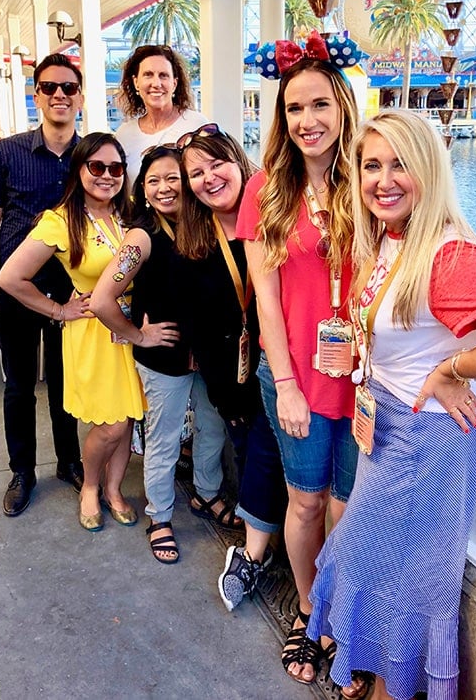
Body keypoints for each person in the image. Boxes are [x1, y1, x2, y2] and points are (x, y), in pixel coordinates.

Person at [306, 110, 476, 700]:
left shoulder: (449, 254)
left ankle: (392, 688)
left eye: (400, 165)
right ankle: (380, 675)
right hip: (386, 425)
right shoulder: (393, 238)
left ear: (429, 171)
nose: (383, 180)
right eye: (371, 165)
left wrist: (449, 369)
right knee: (377, 564)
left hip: (428, 441)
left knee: (405, 583)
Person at [236, 32, 361, 684]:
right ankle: (308, 611)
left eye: (319, 105)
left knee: (346, 508)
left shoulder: (368, 179)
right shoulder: (266, 189)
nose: (307, 120)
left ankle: (341, 613)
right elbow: (264, 293)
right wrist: (284, 382)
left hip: (361, 381)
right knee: (307, 503)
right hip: (297, 376)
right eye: (293, 108)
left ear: (341, 106)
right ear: (281, 119)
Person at [90, 145, 238, 565]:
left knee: (211, 431)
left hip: (209, 358)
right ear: (143, 189)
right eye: (152, 180)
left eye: (173, 177)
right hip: (164, 361)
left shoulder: (206, 224)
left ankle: (206, 495)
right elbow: (102, 299)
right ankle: (160, 515)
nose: (163, 187)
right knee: (164, 440)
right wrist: (136, 335)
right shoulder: (143, 236)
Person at [0, 133, 146, 532]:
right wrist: (59, 310)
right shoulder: (61, 220)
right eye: (96, 167)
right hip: (94, 334)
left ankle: (114, 489)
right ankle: (90, 485)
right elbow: (11, 276)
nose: (107, 176)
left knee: (130, 414)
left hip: (130, 328)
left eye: (115, 168)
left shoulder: (127, 215)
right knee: (111, 423)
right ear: (79, 169)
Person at [176, 123, 288, 609]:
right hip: (232, 373)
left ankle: (261, 548)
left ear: (238, 161)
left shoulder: (276, 211)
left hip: (286, 359)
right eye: (196, 173)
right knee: (251, 453)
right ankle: (268, 547)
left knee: (272, 454)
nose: (209, 178)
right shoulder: (194, 234)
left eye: (217, 163)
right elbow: (199, 321)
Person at [0, 53, 86, 518]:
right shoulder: (8, 152)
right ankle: (22, 470)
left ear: (79, 96)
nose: (59, 94)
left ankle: (69, 461)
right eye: (49, 87)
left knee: (65, 383)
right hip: (16, 290)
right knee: (19, 386)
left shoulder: (90, 156)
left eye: (68, 87)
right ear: (36, 94)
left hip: (70, 293)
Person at [114, 44, 207, 184]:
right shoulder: (124, 135)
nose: (156, 83)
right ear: (136, 82)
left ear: (174, 84)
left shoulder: (197, 125)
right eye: (148, 75)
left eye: (163, 76)